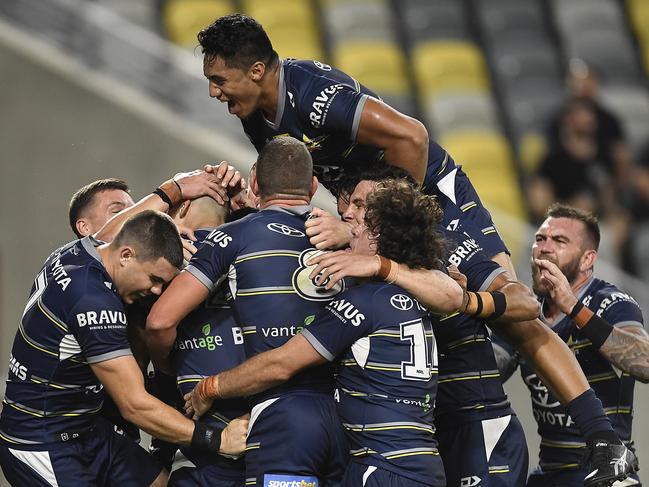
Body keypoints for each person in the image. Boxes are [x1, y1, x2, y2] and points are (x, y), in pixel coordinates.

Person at [307, 173, 641, 487]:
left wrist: (466, 301)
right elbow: (495, 357)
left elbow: (523, 304)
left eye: (361, 206)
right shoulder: (362, 263)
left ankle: (605, 440)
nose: (347, 215)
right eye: (539, 238)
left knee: (523, 327)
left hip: (481, 430)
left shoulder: (446, 246)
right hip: (437, 436)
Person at [196, 13, 514, 274]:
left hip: (428, 189)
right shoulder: (252, 113)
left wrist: (384, 225)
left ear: (256, 71)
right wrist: (254, 203)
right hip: (368, 219)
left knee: (507, 298)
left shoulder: (314, 97)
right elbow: (293, 185)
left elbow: (411, 137)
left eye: (219, 81)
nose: (213, 93)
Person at [184, 179, 452, 486]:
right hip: (424, 466)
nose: (350, 224)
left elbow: (281, 364)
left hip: (382, 469)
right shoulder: (417, 296)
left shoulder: (363, 302)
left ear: (377, 236)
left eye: (361, 219)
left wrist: (211, 388)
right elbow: (451, 293)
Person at [146, 138, 378, 486]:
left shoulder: (233, 238)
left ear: (255, 184)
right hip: (345, 417)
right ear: (313, 187)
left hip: (280, 414)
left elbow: (160, 320)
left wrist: (169, 367)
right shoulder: (349, 243)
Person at [0, 170, 248, 486]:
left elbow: (115, 228)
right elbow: (134, 405)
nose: (157, 291)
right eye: (154, 279)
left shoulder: (79, 252)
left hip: (86, 428)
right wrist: (218, 439)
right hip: (41, 441)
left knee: (159, 481)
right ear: (127, 256)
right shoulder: (93, 302)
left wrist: (178, 189)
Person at [495, 204, 645, 486]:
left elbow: (645, 363)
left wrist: (576, 310)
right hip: (551, 472)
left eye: (560, 241)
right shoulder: (527, 312)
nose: (544, 248)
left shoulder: (611, 302)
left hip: (609, 472)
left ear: (588, 259)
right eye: (540, 239)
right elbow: (490, 369)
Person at [162, 196, 249, 486]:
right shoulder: (259, 247)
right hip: (265, 422)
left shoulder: (160, 253)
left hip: (198, 432)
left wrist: (166, 365)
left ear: (183, 208)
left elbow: (156, 324)